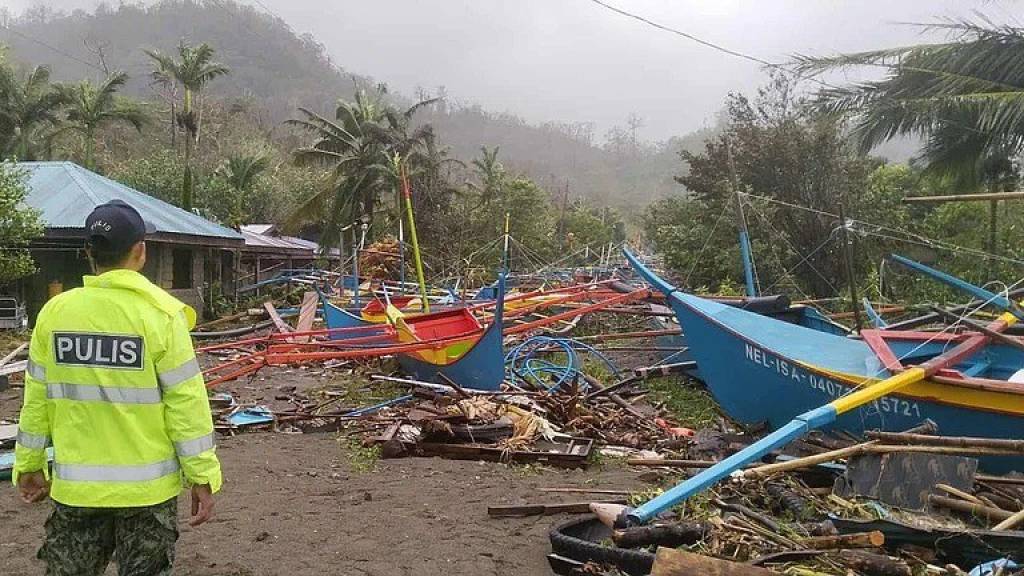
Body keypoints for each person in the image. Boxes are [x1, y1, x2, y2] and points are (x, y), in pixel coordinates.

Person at [13, 199, 222, 576]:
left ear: (88, 253)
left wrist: (28, 464)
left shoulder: (55, 314)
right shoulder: (161, 316)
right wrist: (202, 476)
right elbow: (186, 404)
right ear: (141, 251)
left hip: (77, 493)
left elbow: (36, 401)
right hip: (148, 495)